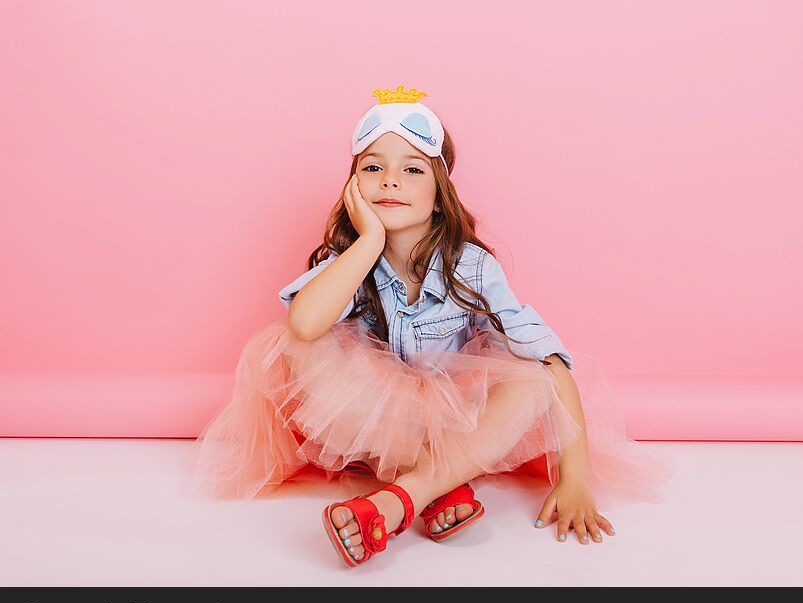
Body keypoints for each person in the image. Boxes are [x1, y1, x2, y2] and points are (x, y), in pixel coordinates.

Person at [189, 85, 674, 567]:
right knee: (294, 340)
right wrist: (368, 241)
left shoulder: (473, 267)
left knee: (535, 378)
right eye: (372, 168)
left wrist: (574, 480)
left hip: (459, 416)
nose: (390, 182)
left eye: (412, 170)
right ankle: (439, 485)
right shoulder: (351, 261)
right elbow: (305, 323)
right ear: (352, 188)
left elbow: (550, 359)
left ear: (440, 196)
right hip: (381, 426)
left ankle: (398, 500)